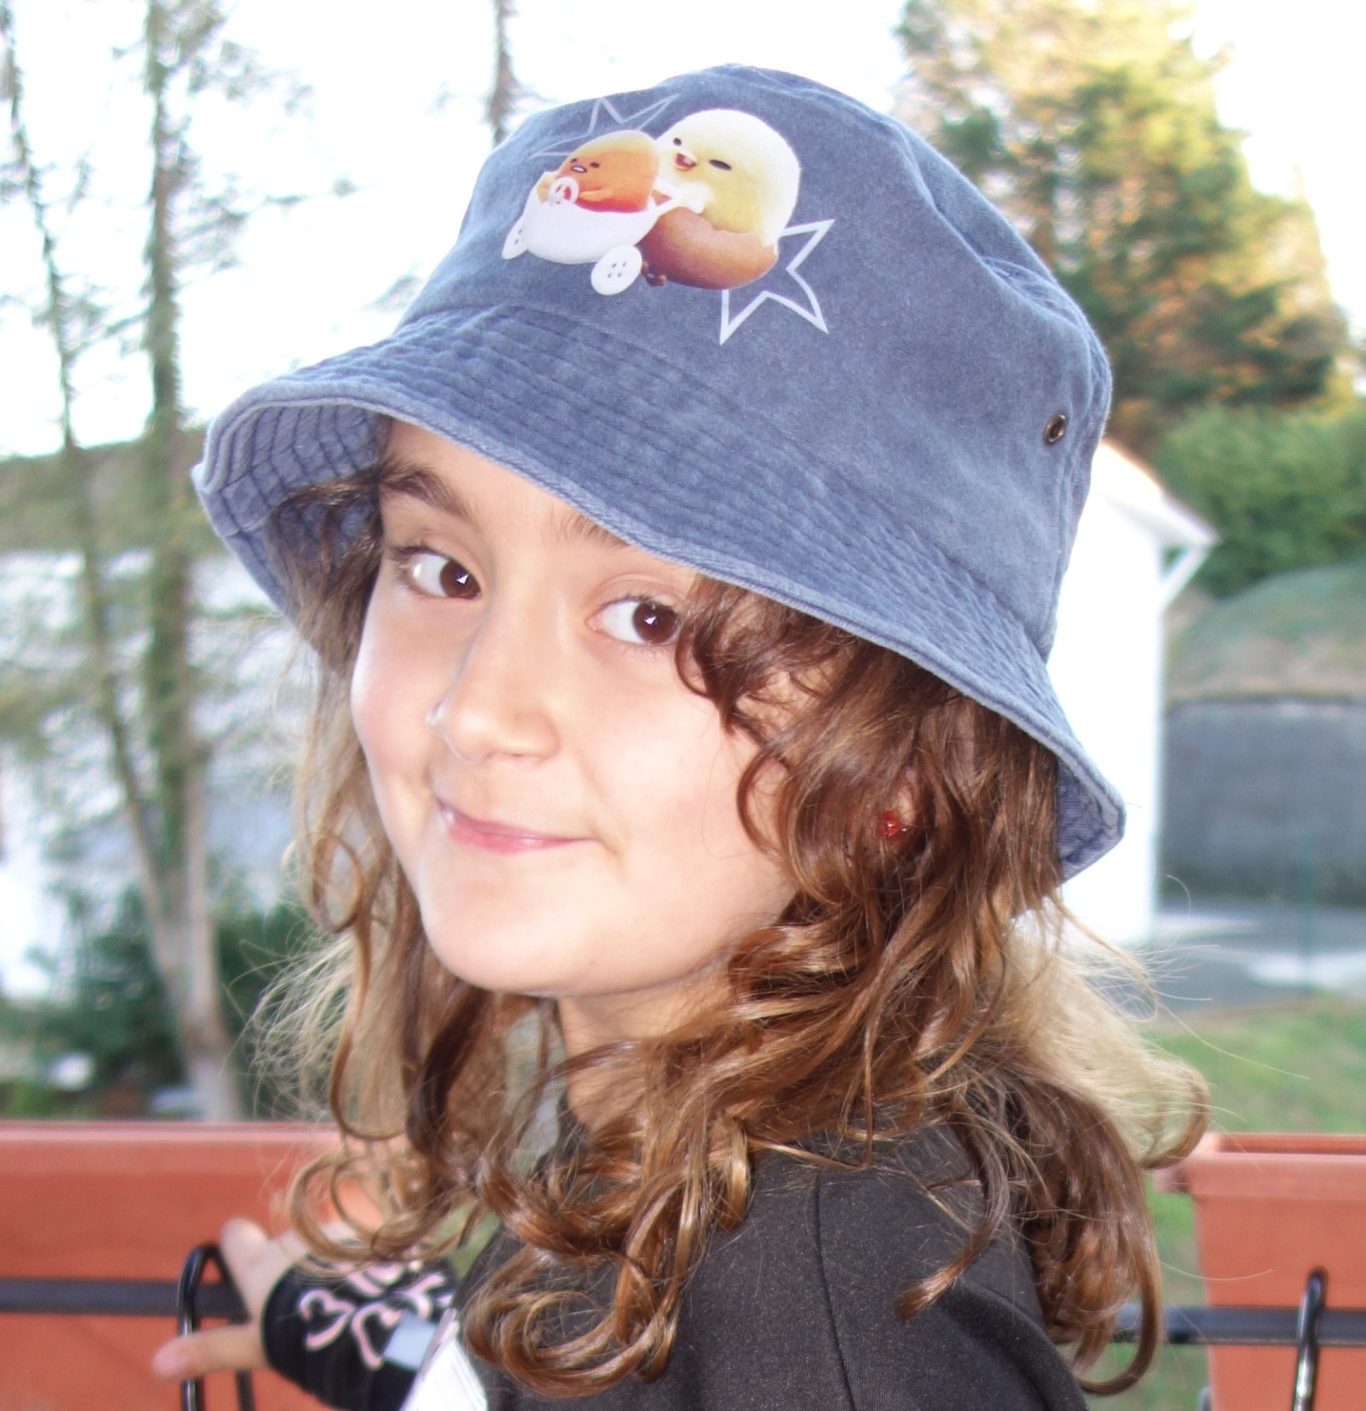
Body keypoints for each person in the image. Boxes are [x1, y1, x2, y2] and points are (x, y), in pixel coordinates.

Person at [151, 64, 1204, 1410]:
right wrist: (371, 1345)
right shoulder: (682, 1155)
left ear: (900, 771)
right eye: (442, 569)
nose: (476, 706)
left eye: (648, 617)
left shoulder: (814, 1320)